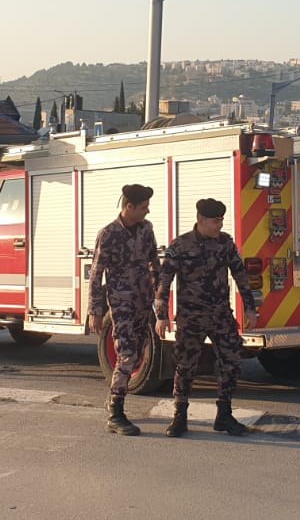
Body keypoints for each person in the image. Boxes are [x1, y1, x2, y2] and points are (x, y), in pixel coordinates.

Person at [154, 198, 259, 438]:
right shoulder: (180, 245)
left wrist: (250, 308)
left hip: (221, 315)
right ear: (201, 220)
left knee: (232, 361)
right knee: (186, 366)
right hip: (191, 317)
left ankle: (224, 415)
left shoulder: (225, 244)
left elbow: (241, 276)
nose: (219, 225)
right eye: (215, 221)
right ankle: (180, 416)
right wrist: (161, 315)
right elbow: (164, 281)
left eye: (221, 220)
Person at [88, 184, 159, 436]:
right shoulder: (108, 234)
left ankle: (113, 399)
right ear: (129, 207)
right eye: (143, 207)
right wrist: (95, 310)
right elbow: (96, 274)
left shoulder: (146, 229)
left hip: (143, 302)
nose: (147, 211)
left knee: (137, 355)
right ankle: (115, 413)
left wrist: (160, 300)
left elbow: (154, 263)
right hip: (122, 304)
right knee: (127, 355)